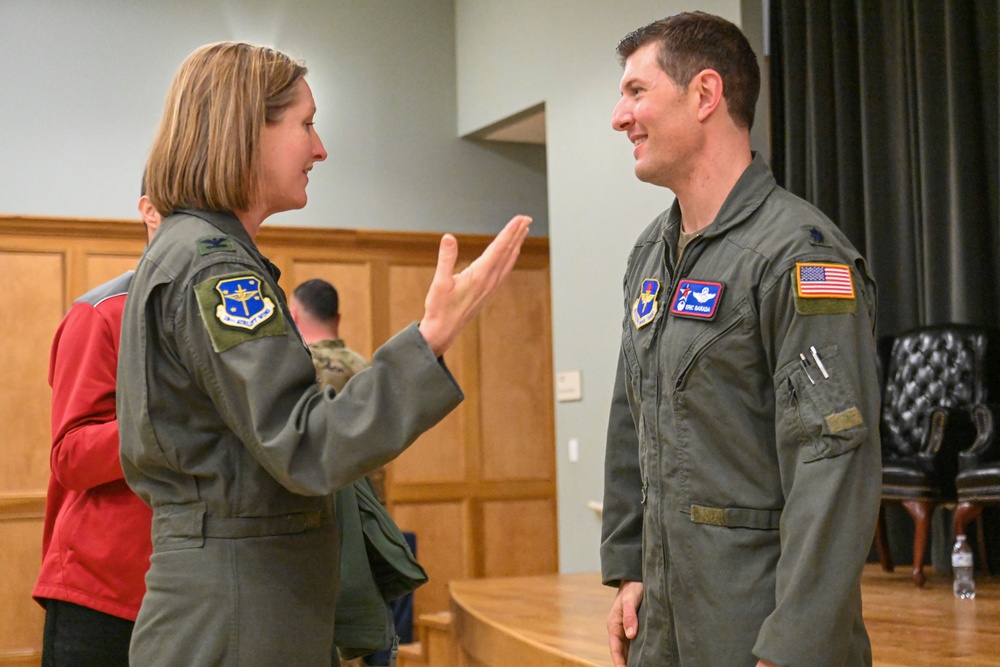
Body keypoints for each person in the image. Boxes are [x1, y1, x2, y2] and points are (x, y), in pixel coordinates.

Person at [116, 41, 530, 667]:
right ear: (242, 129)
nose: (320, 148)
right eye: (305, 124)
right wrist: (431, 338)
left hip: (238, 595)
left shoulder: (192, 251)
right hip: (241, 607)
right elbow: (306, 443)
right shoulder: (216, 268)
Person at [600, 12, 881, 667]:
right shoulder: (650, 254)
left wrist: (794, 644)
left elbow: (832, 458)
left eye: (636, 92)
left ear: (704, 95)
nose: (620, 116)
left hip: (756, 631)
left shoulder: (801, 258)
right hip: (664, 625)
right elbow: (628, 417)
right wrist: (629, 567)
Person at [33, 194, 162, 666]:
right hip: (103, 594)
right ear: (149, 210)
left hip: (192, 594)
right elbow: (72, 456)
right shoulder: (102, 311)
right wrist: (169, 418)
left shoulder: (227, 309)